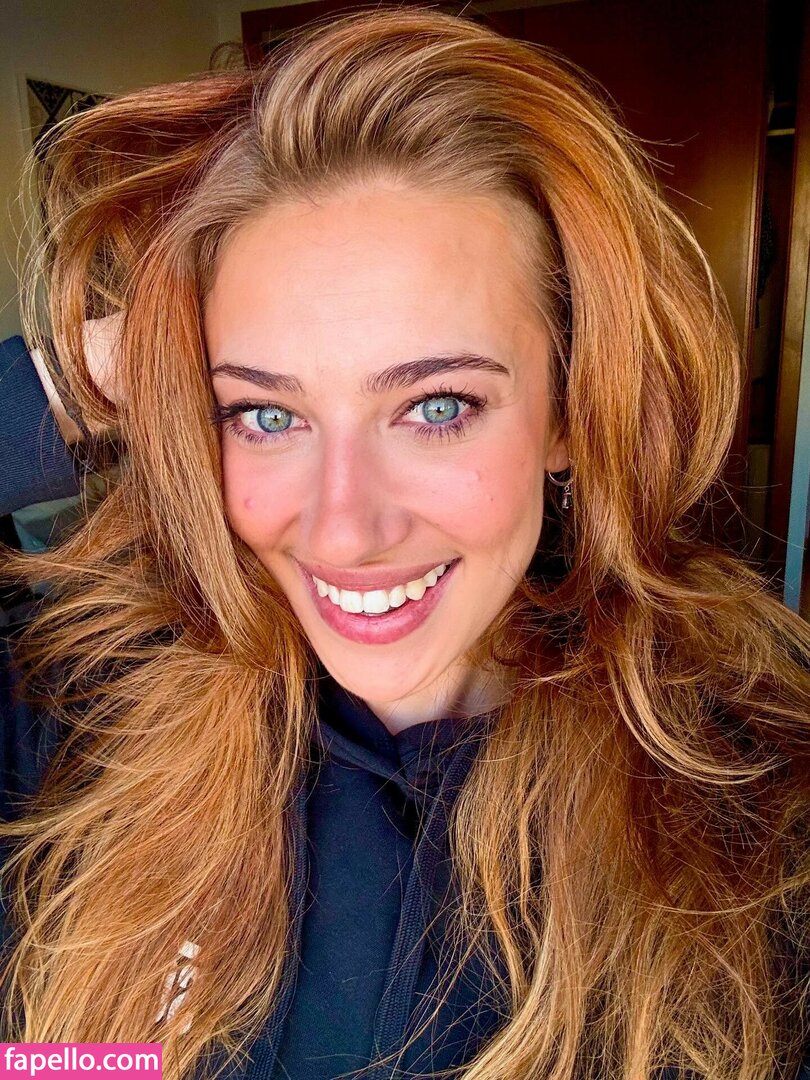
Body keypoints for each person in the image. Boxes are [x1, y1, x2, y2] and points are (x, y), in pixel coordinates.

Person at [0, 8, 808, 1080]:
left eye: (437, 406)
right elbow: (47, 1059)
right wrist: (107, 364)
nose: (343, 525)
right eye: (266, 414)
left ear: (572, 410)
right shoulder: (81, 715)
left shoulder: (760, 820)